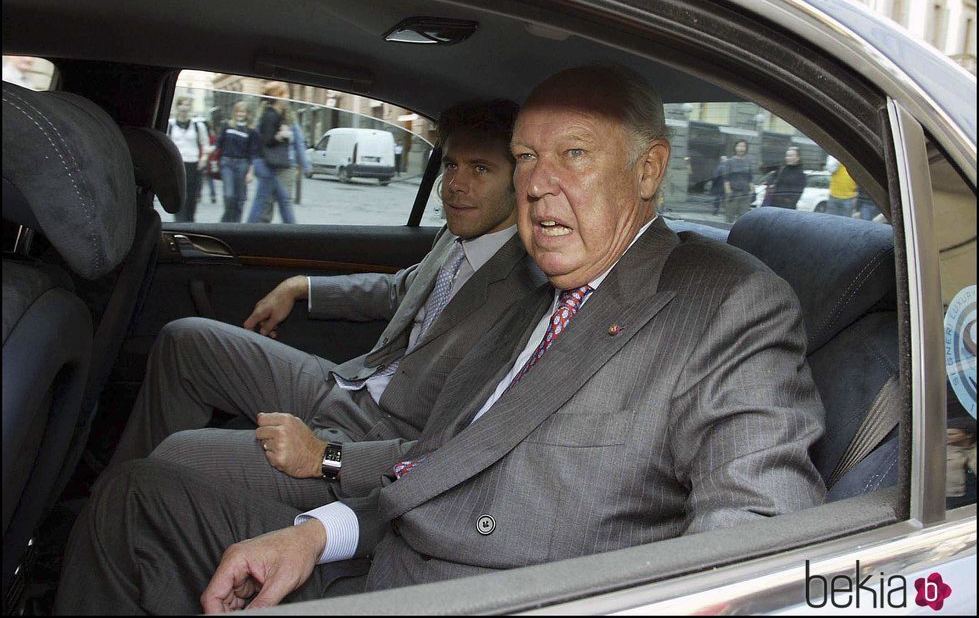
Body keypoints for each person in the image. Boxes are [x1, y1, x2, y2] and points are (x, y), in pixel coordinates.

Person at [56, 67, 825, 614]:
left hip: (473, 592)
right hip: (388, 547)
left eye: (574, 155)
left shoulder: (727, 301)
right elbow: (443, 453)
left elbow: (758, 536)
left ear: (649, 168)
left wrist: (324, 464)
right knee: (135, 497)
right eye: (526, 156)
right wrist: (319, 532)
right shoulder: (541, 288)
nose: (536, 182)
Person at [102, 99, 544, 512]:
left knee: (175, 458)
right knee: (187, 340)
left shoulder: (529, 291)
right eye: (451, 164)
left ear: (520, 178)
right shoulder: (458, 235)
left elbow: (450, 451)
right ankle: (112, 507)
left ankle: (125, 506)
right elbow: (399, 290)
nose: (455, 185)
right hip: (349, 387)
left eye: (480, 168)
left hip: (376, 441)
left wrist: (324, 457)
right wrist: (300, 285)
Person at [247, 81, 298, 224]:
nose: (288, 97)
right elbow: (267, 141)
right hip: (265, 163)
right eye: (285, 94)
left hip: (266, 163)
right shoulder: (271, 115)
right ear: (278, 96)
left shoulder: (270, 113)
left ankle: (292, 228)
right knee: (264, 200)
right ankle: (249, 229)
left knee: (282, 199)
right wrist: (282, 136)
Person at [215, 101, 260, 223]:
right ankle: (225, 221)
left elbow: (253, 153)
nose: (240, 114)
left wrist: (250, 172)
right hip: (227, 163)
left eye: (243, 111)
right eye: (238, 111)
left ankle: (236, 224)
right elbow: (218, 143)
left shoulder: (251, 131)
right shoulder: (227, 126)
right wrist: (208, 154)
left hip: (242, 164)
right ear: (234, 112)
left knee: (240, 198)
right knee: (229, 195)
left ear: (247, 114)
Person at [168, 96, 211, 222]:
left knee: (191, 196)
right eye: (182, 104)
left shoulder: (198, 125)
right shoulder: (170, 124)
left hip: (193, 164)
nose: (184, 108)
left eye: (187, 105)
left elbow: (205, 143)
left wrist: (204, 158)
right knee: (178, 194)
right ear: (177, 107)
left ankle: (189, 222)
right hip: (177, 164)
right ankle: (180, 222)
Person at [259, 119, 311, 220]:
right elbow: (258, 141)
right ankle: (263, 230)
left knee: (285, 199)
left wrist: (306, 166)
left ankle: (289, 229)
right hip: (269, 165)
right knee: (267, 201)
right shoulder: (266, 120)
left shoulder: (292, 123)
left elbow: (299, 144)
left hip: (287, 166)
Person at [719, 140, 754, 222]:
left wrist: (752, 192)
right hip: (733, 194)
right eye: (739, 146)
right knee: (729, 218)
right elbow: (726, 179)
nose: (741, 148)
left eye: (743, 146)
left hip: (745, 194)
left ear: (746, 149)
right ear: (735, 148)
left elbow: (750, 179)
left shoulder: (748, 162)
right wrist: (729, 193)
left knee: (743, 219)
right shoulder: (729, 162)